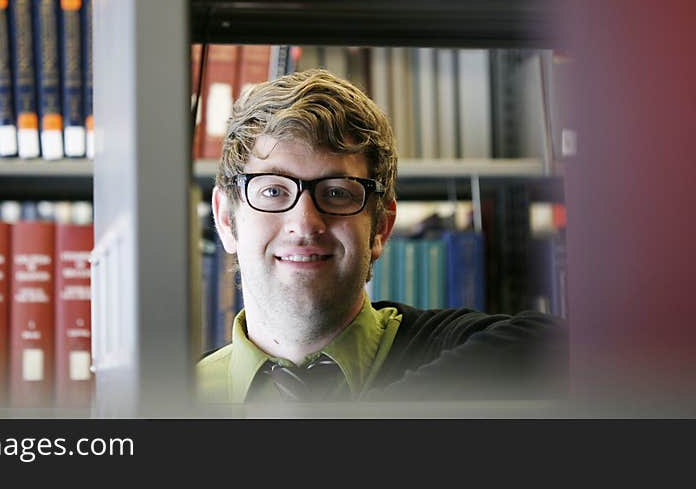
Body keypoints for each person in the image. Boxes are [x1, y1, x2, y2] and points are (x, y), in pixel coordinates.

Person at [196, 68, 568, 404]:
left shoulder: (445, 352)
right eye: (273, 191)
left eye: (338, 192)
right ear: (226, 219)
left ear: (380, 228)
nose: (305, 222)